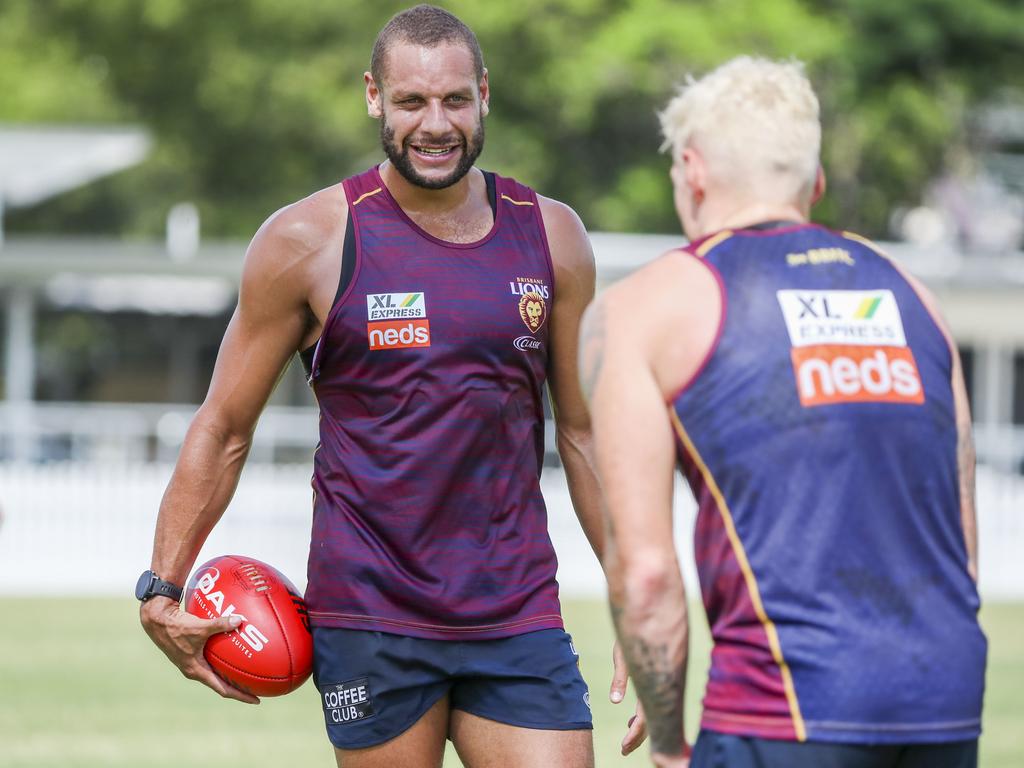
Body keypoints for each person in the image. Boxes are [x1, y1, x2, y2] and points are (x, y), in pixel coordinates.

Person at [137, 5, 646, 767]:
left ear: (484, 94)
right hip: (370, 614)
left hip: (515, 610)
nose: (434, 124)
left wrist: (637, 599)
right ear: (374, 96)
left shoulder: (552, 236)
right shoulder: (305, 241)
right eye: (411, 102)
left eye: (454, 100)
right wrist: (160, 585)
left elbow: (581, 431)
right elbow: (224, 427)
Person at [580, 56, 987, 768]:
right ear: (816, 183)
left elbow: (645, 574)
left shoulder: (646, 307)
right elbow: (962, 548)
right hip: (945, 705)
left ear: (694, 172)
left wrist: (672, 747)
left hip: (781, 712)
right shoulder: (916, 299)